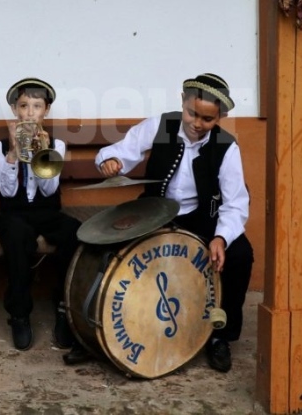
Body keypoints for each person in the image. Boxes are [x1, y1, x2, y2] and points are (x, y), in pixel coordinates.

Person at [94, 73, 253, 373]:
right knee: (109, 246)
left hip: (202, 216)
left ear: (220, 116)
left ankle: (220, 336)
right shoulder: (160, 125)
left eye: (207, 119)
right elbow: (120, 152)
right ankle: (113, 327)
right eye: (192, 113)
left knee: (241, 254)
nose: (197, 123)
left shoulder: (227, 146)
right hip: (154, 211)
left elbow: (235, 204)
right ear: (182, 102)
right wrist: (110, 161)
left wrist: (221, 237)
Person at [0, 78, 81, 351]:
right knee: (17, 238)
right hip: (14, 213)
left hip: (46, 212)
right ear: (15, 110)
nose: (30, 113)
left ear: (46, 111)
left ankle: (65, 311)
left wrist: (44, 152)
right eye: (24, 106)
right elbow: (6, 193)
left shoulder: (57, 145)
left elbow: (50, 187)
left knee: (74, 234)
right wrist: (14, 153)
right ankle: (19, 314)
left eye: (36, 106)